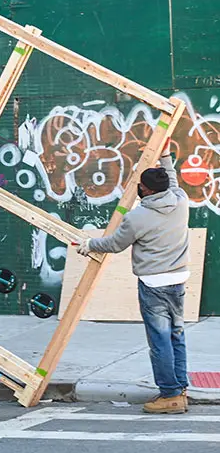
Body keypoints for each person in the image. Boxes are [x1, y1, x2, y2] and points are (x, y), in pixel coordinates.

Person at [78, 142, 190, 414]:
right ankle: (180, 387)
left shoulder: (138, 216)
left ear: (147, 190)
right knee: (176, 334)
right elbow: (172, 182)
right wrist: (166, 159)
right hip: (178, 279)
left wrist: (89, 244)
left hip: (153, 284)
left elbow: (115, 244)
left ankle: (170, 395)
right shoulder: (181, 200)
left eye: (141, 186)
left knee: (160, 340)